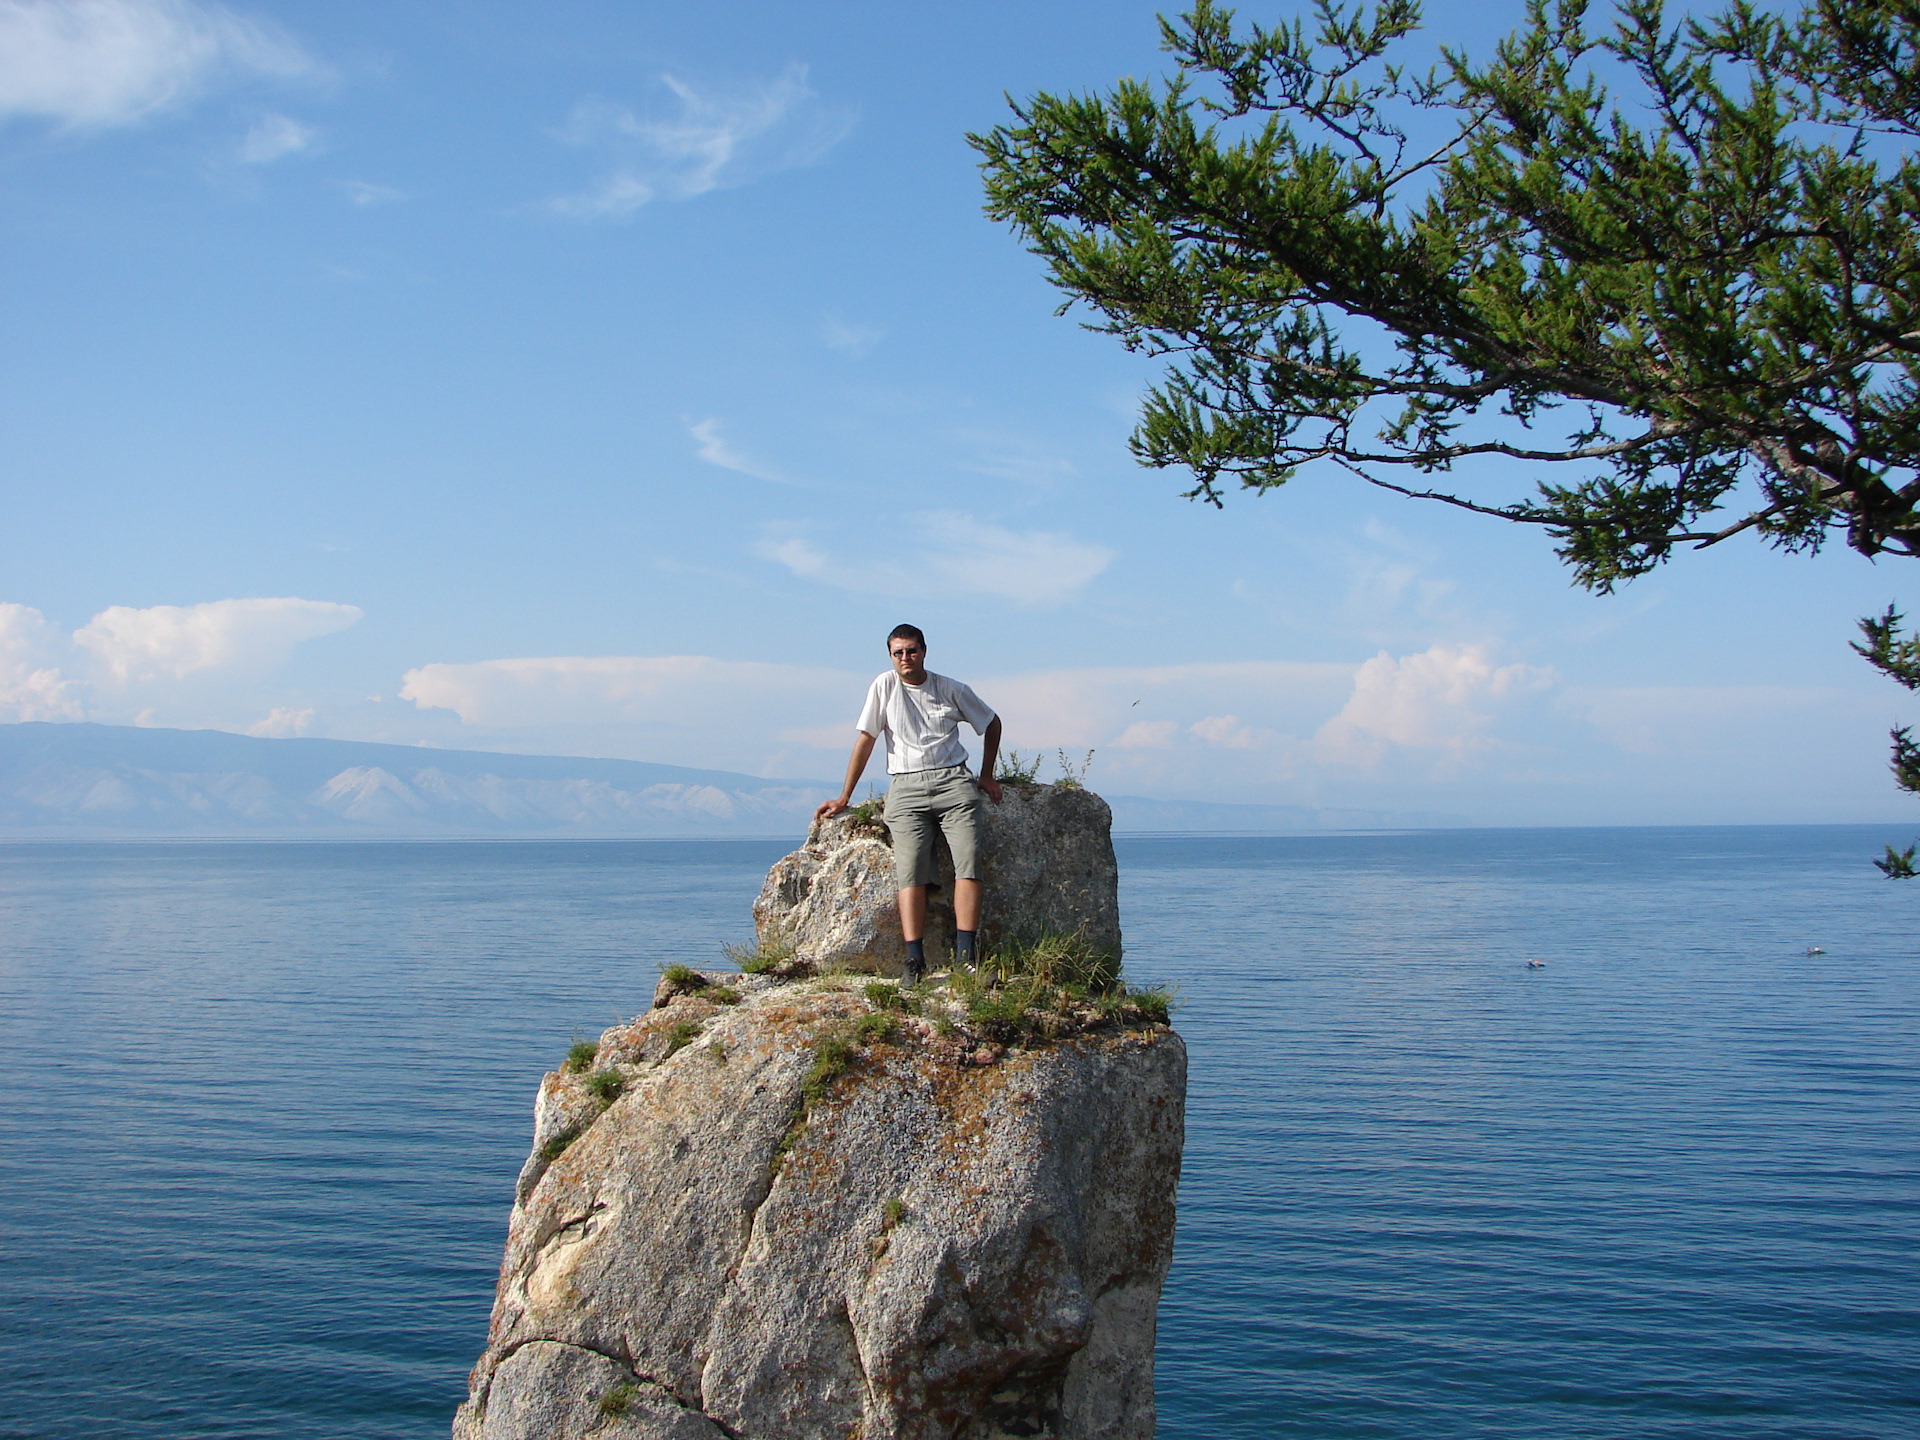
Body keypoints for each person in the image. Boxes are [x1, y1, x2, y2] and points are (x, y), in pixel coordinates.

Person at [814, 624, 1002, 983]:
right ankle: (914, 961)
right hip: (905, 787)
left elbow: (991, 723)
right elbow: (866, 740)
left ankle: (966, 961)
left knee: (968, 863)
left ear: (924, 651)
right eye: (898, 652)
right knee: (911, 872)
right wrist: (844, 797)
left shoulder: (950, 688)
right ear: (890, 656)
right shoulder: (883, 686)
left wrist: (987, 774)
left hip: (953, 782)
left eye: (911, 650)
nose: (905, 658)